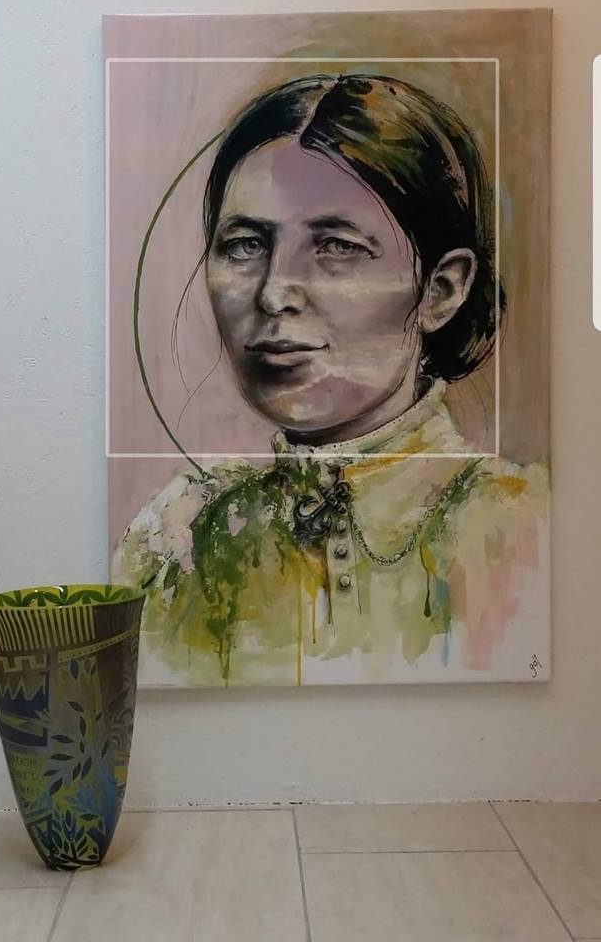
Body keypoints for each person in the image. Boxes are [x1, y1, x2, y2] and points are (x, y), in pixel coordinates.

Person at [112, 74, 549, 688]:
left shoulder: (529, 529)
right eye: (245, 245)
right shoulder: (176, 548)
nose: (273, 293)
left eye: (337, 247)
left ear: (441, 290)